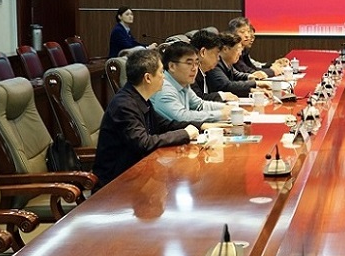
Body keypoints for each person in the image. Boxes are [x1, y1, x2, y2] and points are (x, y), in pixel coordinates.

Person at [92, 49, 199, 189]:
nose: (164, 77)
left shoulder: (141, 98)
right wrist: (185, 134)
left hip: (138, 174)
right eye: (161, 72)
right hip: (116, 184)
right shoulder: (124, 105)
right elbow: (144, 143)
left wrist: (202, 126)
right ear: (148, 78)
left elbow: (166, 125)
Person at [152, 41, 232, 123]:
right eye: (189, 63)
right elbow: (182, 117)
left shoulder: (182, 83)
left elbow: (200, 105)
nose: (194, 68)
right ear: (172, 66)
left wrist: (228, 108)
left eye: (196, 63)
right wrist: (220, 114)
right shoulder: (163, 88)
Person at [207, 32, 272, 97]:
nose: (240, 54)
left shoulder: (227, 62)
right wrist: (255, 83)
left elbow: (236, 75)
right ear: (225, 49)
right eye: (237, 49)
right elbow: (227, 86)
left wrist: (250, 76)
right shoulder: (215, 64)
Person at [189, 30, 238, 102]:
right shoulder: (190, 72)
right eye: (216, 54)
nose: (218, 59)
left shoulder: (208, 71)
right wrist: (222, 96)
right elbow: (196, 100)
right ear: (203, 52)